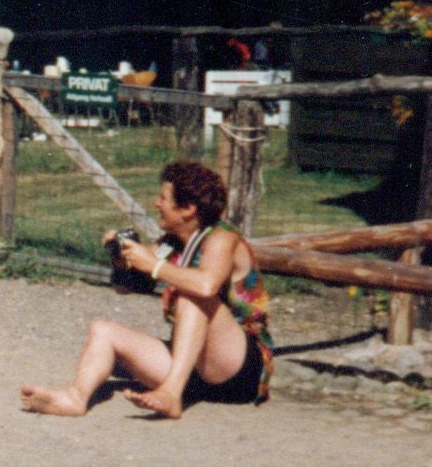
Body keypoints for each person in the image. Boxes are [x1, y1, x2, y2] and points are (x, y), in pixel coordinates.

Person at [19, 160, 272, 419]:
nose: (157, 204)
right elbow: (128, 288)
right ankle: (75, 398)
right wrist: (121, 259)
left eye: (163, 198)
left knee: (192, 296)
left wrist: (153, 265)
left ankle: (171, 394)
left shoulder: (222, 238)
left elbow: (206, 286)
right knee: (103, 330)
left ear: (188, 209)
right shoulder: (172, 243)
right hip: (194, 369)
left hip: (238, 370)